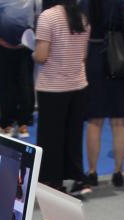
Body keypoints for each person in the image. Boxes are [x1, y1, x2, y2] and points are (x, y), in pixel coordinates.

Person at [33, 0, 91, 194]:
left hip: (53, 87)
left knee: (51, 137)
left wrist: (33, 53)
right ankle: (77, 178)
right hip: (78, 84)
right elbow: (84, 54)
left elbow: (41, 56)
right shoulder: (82, 17)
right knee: (73, 135)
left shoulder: (48, 17)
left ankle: (53, 182)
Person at [84, 0, 124, 188]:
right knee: (119, 121)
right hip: (118, 58)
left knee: (94, 121)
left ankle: (92, 172)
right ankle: (118, 172)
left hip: (94, 58)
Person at [0, 0, 37, 137]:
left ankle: (6, 125)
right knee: (24, 84)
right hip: (25, 43)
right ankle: (22, 124)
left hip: (5, 45)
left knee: (5, 85)